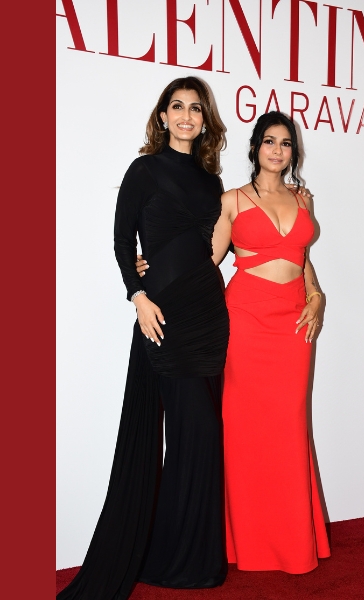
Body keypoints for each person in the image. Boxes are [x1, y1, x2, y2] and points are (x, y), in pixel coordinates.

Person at [57, 76, 229, 600]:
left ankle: (187, 558)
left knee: (201, 438)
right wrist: (138, 294)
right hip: (162, 316)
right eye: (177, 106)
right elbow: (120, 239)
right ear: (162, 116)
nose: (186, 116)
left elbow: (210, 248)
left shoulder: (211, 181)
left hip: (208, 314)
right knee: (191, 431)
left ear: (205, 121)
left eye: (195, 108)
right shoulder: (144, 170)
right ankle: (171, 557)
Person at [212, 111, 331, 573]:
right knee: (245, 431)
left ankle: (292, 540)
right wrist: (154, 267)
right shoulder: (232, 200)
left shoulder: (303, 199)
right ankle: (248, 543)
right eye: (269, 141)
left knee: (289, 427)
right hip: (245, 319)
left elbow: (300, 257)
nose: (277, 150)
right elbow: (206, 260)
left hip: (294, 323)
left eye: (285, 143)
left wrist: (317, 295)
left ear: (292, 152)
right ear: (255, 148)